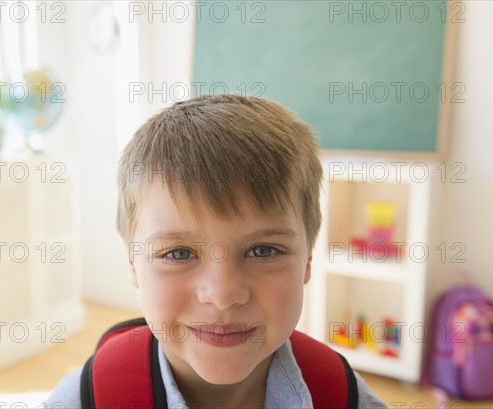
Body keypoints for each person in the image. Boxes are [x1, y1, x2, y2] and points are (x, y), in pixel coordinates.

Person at [45, 94, 385, 408]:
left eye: (263, 251)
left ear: (308, 255)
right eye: (178, 253)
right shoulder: (83, 400)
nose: (222, 295)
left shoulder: (343, 395)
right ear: (132, 260)